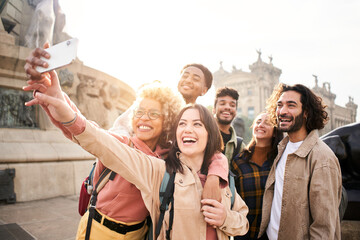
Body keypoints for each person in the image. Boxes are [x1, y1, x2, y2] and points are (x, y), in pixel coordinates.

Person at [24, 70, 249, 239]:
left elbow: (242, 221)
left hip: (138, 233)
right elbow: (98, 139)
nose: (144, 118)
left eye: (197, 125)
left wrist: (223, 211)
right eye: (183, 124)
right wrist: (63, 105)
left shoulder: (186, 164)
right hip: (100, 228)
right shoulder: (156, 165)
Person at [258, 83, 342, 240]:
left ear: (306, 112)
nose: (282, 111)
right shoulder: (283, 148)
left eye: (291, 105)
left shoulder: (322, 158)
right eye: (279, 105)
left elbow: (324, 227)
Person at [231, 112, 283, 240]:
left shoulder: (280, 161)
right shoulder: (238, 161)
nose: (261, 125)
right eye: (258, 121)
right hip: (244, 234)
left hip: (273, 234)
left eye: (267, 122)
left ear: (275, 131)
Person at [213, 87, 246, 166]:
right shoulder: (202, 134)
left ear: (236, 111)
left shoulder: (239, 145)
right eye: (222, 104)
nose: (227, 107)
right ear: (214, 109)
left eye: (232, 105)